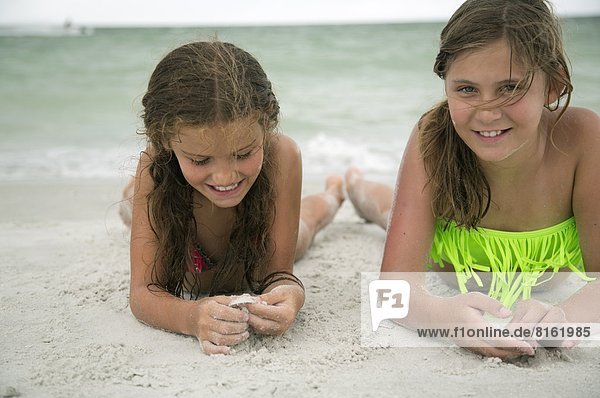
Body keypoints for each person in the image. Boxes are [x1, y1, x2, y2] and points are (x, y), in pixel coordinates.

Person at [347, 0, 599, 359]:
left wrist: (563, 316)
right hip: (446, 262)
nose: (487, 112)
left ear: (553, 85)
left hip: (546, 283)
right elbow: (392, 292)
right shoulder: (433, 136)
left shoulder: (583, 138)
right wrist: (446, 318)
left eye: (510, 87)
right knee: (384, 209)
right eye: (466, 90)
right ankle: (352, 186)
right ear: (446, 85)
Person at [121, 41, 345, 355]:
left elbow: (279, 274)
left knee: (306, 227)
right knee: (136, 214)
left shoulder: (282, 155)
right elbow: (143, 293)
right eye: (201, 160)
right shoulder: (156, 167)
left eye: (243, 154)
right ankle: (133, 195)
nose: (226, 177)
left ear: (266, 126)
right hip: (179, 222)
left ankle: (334, 193)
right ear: (166, 140)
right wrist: (190, 317)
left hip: (255, 242)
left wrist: (290, 292)